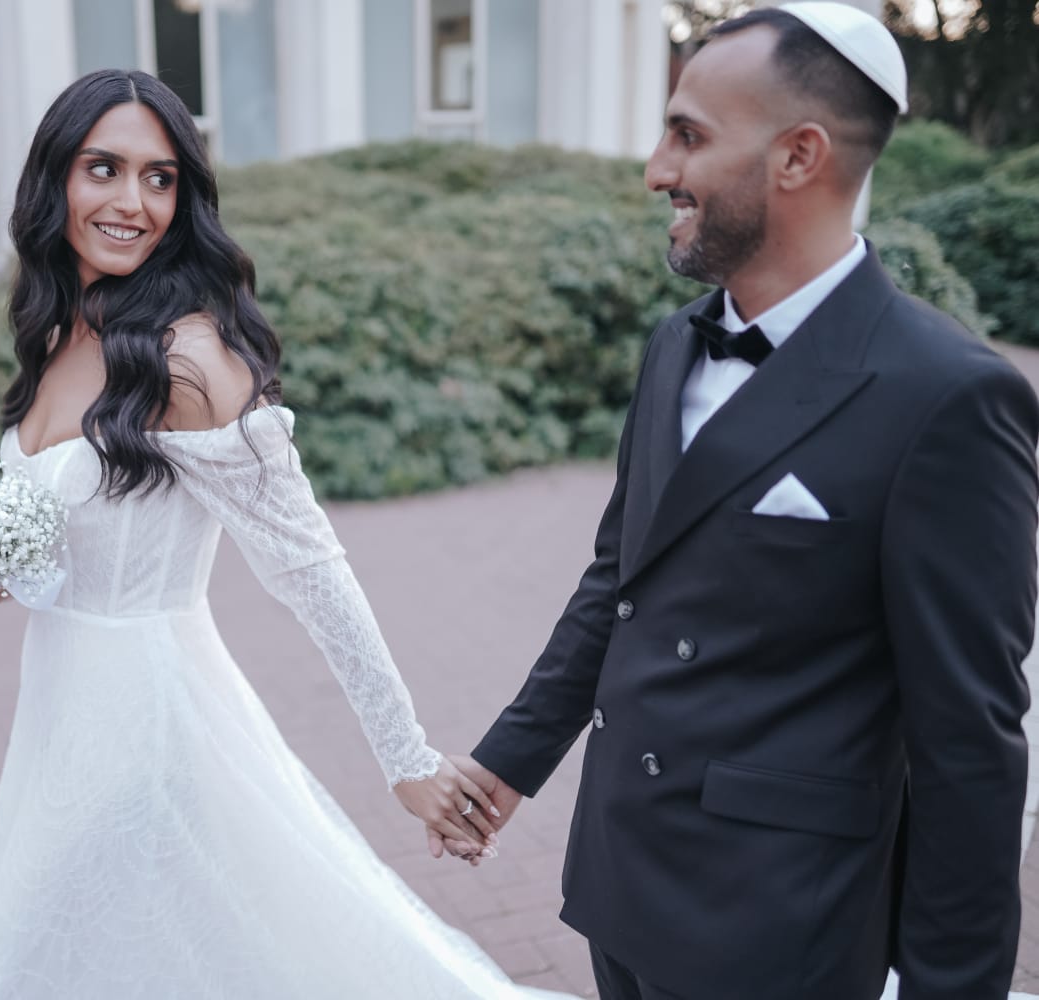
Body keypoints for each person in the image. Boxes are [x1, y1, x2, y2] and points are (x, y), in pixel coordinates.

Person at [439, 5, 1039, 999]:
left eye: (687, 135)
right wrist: (511, 761)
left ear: (799, 156)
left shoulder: (948, 397)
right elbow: (619, 580)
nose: (656, 171)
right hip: (620, 881)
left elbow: (970, 746)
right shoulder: (676, 343)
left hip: (779, 928)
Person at [0, 69, 573, 999]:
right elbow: (84, 533)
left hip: (148, 716)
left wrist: (404, 760)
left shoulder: (189, 359)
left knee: (59, 945)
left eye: (160, 178)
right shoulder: (55, 331)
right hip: (59, 717)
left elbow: (311, 567)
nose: (131, 202)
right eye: (103, 168)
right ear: (55, 179)